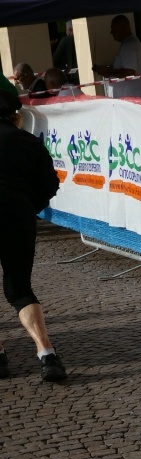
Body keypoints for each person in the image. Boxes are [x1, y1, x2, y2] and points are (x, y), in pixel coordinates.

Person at [0, 89, 67, 382]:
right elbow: (50, 184)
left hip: (17, 213)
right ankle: (46, 352)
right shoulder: (28, 142)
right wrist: (28, 207)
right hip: (18, 217)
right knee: (20, 290)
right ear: (14, 115)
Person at [92, 14, 141, 99]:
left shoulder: (129, 45)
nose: (111, 32)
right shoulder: (129, 43)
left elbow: (129, 72)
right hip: (131, 98)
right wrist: (109, 70)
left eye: (113, 29)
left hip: (132, 98)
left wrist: (109, 72)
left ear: (122, 28)